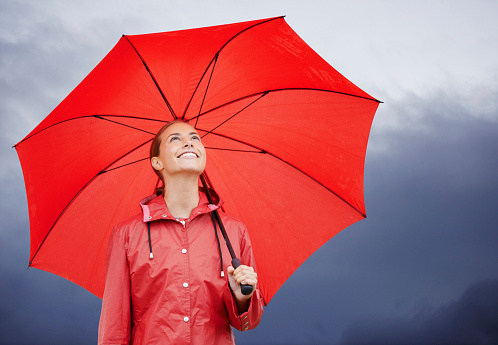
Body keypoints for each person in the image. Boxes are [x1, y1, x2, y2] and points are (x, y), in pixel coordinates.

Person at [98, 121, 264, 344]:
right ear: (157, 162)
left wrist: (243, 298)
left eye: (195, 138)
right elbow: (114, 326)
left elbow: (249, 322)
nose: (189, 143)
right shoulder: (127, 234)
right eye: (175, 139)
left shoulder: (234, 231)